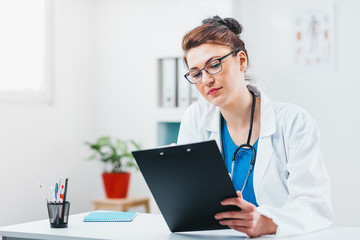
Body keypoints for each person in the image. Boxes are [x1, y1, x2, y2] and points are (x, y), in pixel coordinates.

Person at [177, 16, 333, 237]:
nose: (206, 80)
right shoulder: (195, 118)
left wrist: (268, 222)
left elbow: (316, 206)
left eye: (214, 65)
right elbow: (187, 197)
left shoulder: (294, 122)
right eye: (196, 73)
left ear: (241, 61)